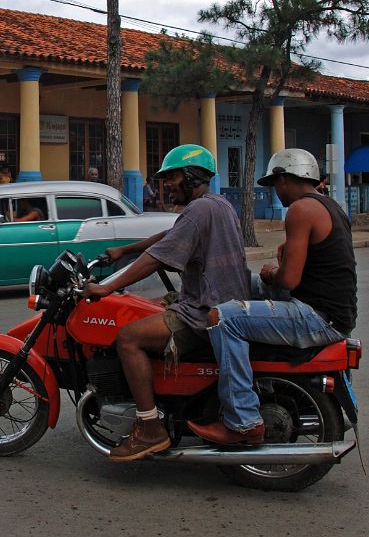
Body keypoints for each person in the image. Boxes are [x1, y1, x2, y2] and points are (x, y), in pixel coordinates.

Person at [82, 144, 248, 461]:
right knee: (150, 306)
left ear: (190, 175)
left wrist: (108, 287)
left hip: (205, 312)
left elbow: (157, 258)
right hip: (218, 303)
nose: (166, 185)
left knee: (128, 338)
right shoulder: (216, 204)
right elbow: (169, 236)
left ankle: (149, 428)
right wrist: (124, 250)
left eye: (170, 177)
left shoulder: (199, 210)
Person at [188, 148, 356, 445]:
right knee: (242, 285)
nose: (276, 192)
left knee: (223, 318)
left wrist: (271, 274)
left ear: (283, 178)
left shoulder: (300, 210)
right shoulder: (330, 205)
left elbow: (288, 279)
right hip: (334, 311)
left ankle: (242, 422)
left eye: (275, 184)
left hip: (317, 317)